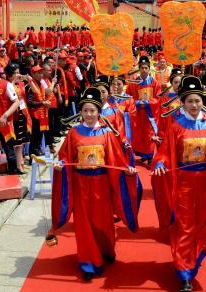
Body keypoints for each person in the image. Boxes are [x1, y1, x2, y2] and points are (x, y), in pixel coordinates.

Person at [152, 76, 206, 292]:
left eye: (197, 101)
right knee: (183, 226)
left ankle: (193, 258)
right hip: (183, 185)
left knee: (199, 225)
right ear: (182, 102)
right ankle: (184, 271)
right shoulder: (176, 127)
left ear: (202, 102)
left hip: (205, 184)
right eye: (190, 101)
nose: (194, 105)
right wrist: (160, 163)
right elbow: (165, 153)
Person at [50, 87, 139, 281]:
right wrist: (60, 165)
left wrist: (128, 171)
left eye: (92, 111)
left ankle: (106, 248)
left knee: (103, 222)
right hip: (81, 185)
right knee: (84, 224)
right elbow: (65, 157)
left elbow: (116, 159)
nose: (89, 115)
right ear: (80, 113)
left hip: (102, 185)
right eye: (85, 111)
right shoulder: (73, 133)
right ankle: (89, 262)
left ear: (99, 112)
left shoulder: (107, 133)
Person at [126, 55, 161, 163]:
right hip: (138, 113)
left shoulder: (155, 83)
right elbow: (129, 97)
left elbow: (158, 98)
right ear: (139, 69)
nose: (144, 70)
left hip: (150, 114)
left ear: (149, 68)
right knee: (140, 135)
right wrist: (136, 102)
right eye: (142, 68)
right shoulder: (133, 83)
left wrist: (147, 102)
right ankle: (144, 155)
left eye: (146, 68)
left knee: (150, 134)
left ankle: (150, 156)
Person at [5, 63, 31, 174]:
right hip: (13, 116)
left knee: (21, 142)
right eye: (15, 73)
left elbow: (33, 89)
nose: (17, 74)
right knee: (16, 143)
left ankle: (19, 162)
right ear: (9, 74)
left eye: (18, 72)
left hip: (22, 114)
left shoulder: (20, 84)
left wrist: (28, 79)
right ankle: (18, 165)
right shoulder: (7, 85)